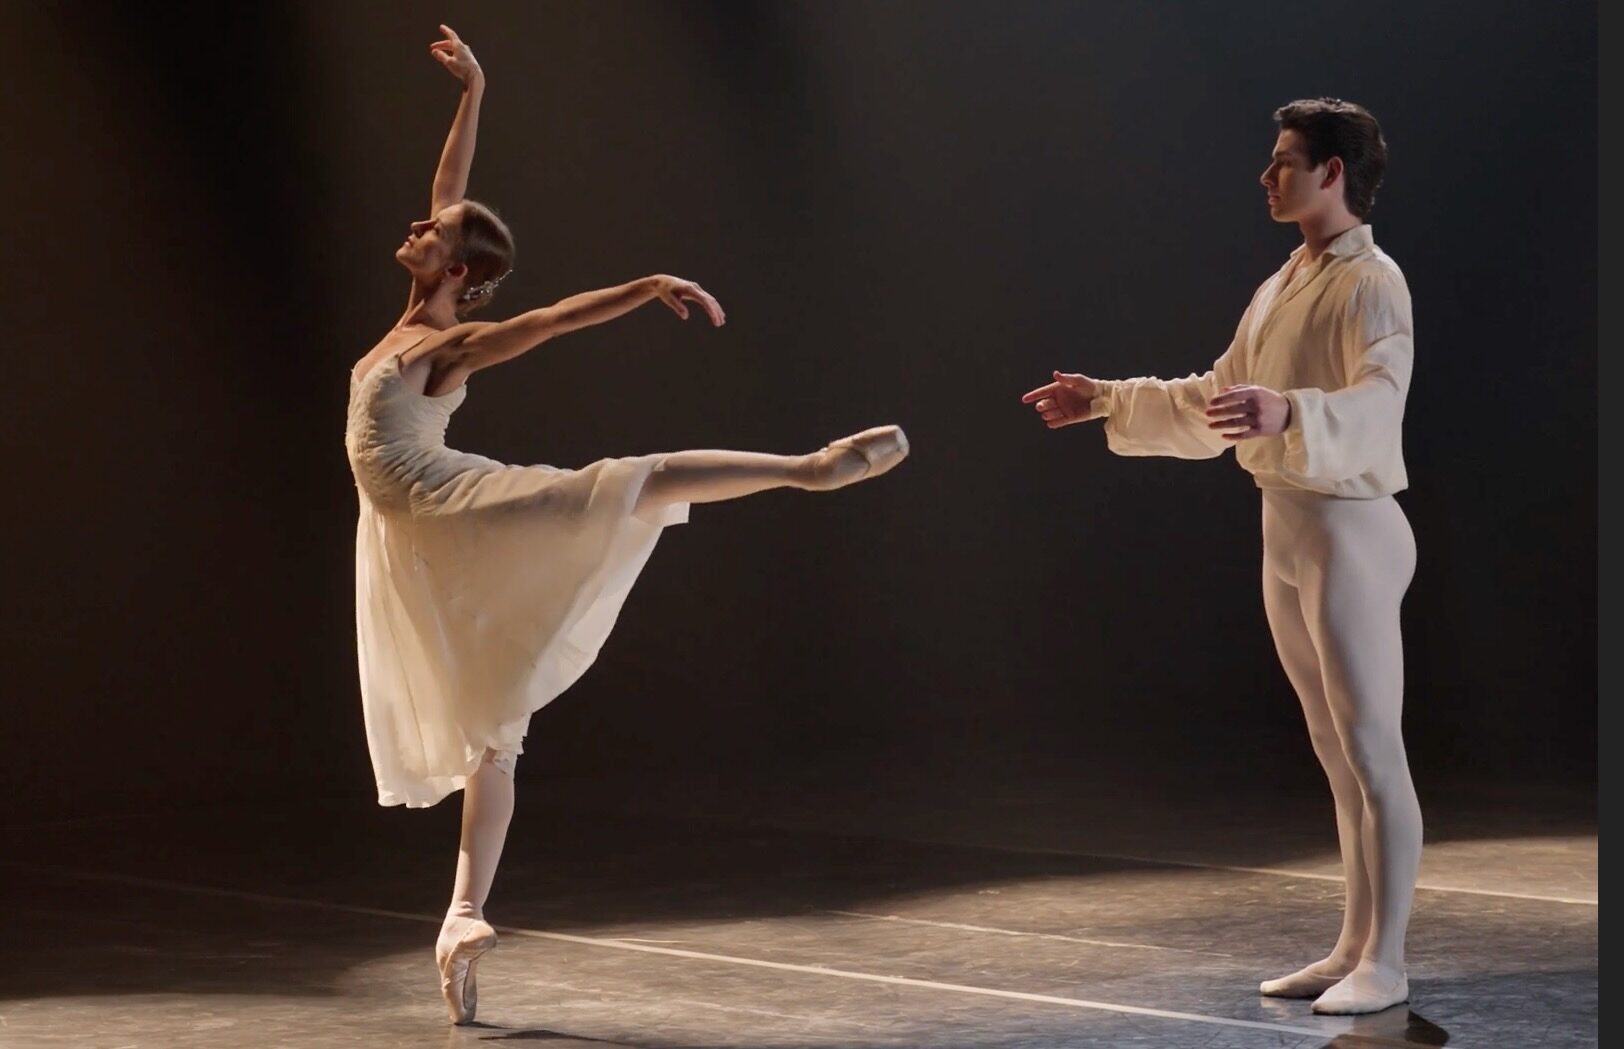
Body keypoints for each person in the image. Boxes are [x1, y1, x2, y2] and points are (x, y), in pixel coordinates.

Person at [343, 26, 909, 1024]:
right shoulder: (420, 308)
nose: (419, 227)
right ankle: (460, 916)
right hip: (406, 537)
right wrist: (476, 89)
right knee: (492, 723)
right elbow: (451, 185)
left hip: (448, 501)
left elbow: (551, 317)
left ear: (459, 270)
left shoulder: (449, 341)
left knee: (619, 486)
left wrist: (644, 286)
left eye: (437, 235)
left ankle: (807, 469)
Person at [1022, 98, 1418, 1016]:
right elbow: (1218, 394)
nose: (1267, 175)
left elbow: (1381, 399)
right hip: (1287, 521)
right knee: (1333, 747)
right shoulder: (1283, 281)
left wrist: (1296, 413)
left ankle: (1388, 959)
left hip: (1348, 525)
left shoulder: (1375, 281)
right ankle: (1355, 942)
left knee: (1371, 745)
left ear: (1331, 172)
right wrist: (1108, 399)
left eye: (1285, 161)